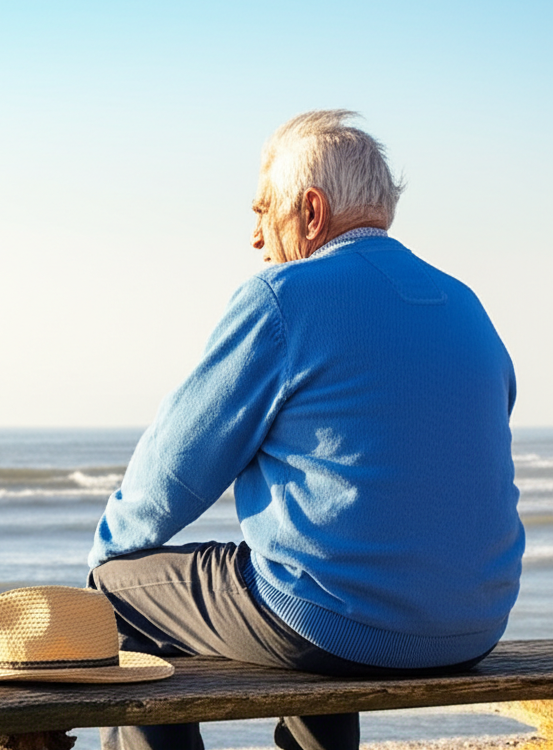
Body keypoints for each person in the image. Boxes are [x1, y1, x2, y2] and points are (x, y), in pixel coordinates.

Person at [87, 110, 525, 750]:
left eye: (263, 211)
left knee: (119, 596)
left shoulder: (284, 296)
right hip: (475, 625)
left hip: (336, 623)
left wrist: (111, 551)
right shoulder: (464, 303)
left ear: (312, 213)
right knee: (317, 576)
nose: (256, 239)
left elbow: (178, 463)